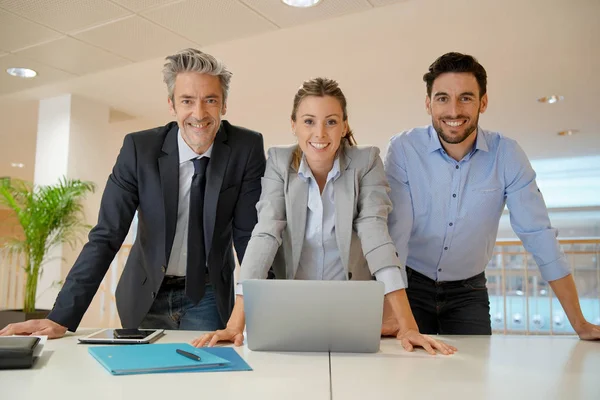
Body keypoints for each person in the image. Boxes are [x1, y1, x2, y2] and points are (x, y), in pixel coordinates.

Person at [0, 48, 266, 338]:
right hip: (144, 292)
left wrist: (255, 317)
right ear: (171, 105)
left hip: (208, 294)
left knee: (203, 376)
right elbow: (106, 235)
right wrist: (61, 317)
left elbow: (250, 238)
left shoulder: (245, 148)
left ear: (223, 105)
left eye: (210, 100)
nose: (199, 114)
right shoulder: (139, 150)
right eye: (187, 101)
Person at [192, 77, 456, 355]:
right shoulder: (279, 163)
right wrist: (235, 325)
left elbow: (375, 233)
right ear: (293, 124)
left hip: (352, 313)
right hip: (293, 312)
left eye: (331, 121)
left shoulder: (365, 162)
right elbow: (265, 233)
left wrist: (408, 326)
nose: (320, 133)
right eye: (308, 121)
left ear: (344, 126)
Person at [384, 52, 600, 338]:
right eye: (442, 98)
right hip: (409, 286)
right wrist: (389, 311)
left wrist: (579, 322)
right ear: (428, 104)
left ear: (482, 102)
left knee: (473, 379)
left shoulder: (507, 155)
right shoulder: (403, 149)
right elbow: (395, 234)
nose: (453, 111)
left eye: (466, 97)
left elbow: (538, 235)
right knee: (405, 375)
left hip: (468, 292)